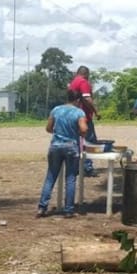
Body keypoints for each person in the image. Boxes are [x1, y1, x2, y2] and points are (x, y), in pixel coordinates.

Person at [37, 90, 89, 218]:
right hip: (71, 147)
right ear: (77, 100)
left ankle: (42, 207)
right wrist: (79, 133)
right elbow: (84, 129)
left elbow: (48, 128)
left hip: (55, 146)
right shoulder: (79, 112)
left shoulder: (56, 110)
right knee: (70, 178)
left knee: (50, 177)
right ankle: (69, 210)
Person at [67, 66, 98, 176]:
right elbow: (86, 98)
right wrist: (96, 111)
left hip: (73, 115)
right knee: (89, 141)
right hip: (83, 116)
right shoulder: (83, 82)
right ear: (86, 74)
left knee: (76, 142)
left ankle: (75, 167)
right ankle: (87, 167)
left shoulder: (73, 82)